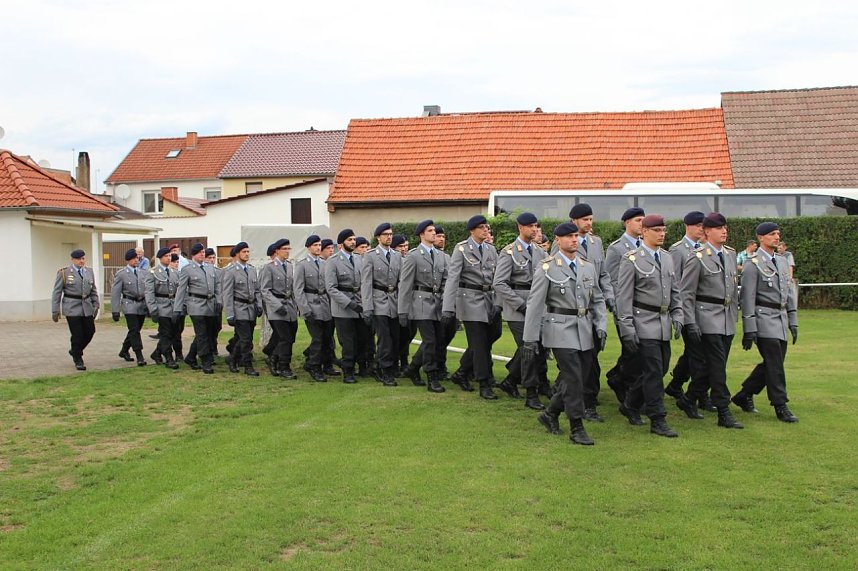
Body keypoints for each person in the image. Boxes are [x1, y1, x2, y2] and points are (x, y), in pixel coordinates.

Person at [525, 222, 607, 445]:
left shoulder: (587, 266)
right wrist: (530, 339)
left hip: (584, 328)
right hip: (559, 327)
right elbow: (535, 304)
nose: (574, 240)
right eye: (569, 236)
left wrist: (601, 324)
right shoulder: (547, 267)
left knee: (579, 377)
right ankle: (576, 426)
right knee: (573, 377)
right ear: (557, 241)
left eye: (575, 236)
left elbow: (597, 299)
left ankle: (550, 414)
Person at [616, 214, 682, 437]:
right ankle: (657, 418)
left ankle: (631, 403)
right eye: (656, 230)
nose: (662, 234)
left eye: (663, 230)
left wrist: (678, 315)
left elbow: (675, 291)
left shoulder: (667, 258)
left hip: (662, 322)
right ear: (644, 232)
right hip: (642, 321)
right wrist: (626, 329)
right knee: (654, 370)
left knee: (660, 368)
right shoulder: (631, 259)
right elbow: (623, 298)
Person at [678, 213, 743, 428]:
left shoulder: (731, 255)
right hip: (706, 317)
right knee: (717, 367)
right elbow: (686, 293)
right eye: (718, 228)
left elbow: (733, 291)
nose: (724, 231)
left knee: (713, 366)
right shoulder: (697, 257)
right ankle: (723, 410)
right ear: (707, 232)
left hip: (725, 318)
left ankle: (688, 399)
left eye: (725, 227)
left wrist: (734, 316)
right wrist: (690, 322)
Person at [732, 223, 799, 423]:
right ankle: (780, 404)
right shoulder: (753, 263)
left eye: (778, 234)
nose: (777, 237)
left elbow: (789, 293)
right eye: (772, 234)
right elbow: (747, 298)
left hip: (780, 318)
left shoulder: (781, 261)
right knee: (775, 364)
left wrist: (793, 321)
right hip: (763, 319)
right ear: (761, 238)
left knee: (772, 363)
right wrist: (749, 328)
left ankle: (743, 395)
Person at [493, 212, 548, 409]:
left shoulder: (541, 252)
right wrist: (520, 304)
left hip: (538, 306)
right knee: (529, 349)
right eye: (530, 226)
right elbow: (499, 283)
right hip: (518, 309)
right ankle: (531, 393)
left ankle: (510, 381)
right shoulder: (509, 252)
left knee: (539, 348)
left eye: (536, 225)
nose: (534, 229)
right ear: (520, 228)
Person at [442, 214, 500, 399]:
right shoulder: (462, 249)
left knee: (494, 334)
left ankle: (461, 372)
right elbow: (453, 279)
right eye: (482, 227)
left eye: (487, 227)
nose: (486, 230)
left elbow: (498, 278)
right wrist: (448, 307)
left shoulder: (491, 250)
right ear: (472, 230)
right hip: (470, 300)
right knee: (480, 344)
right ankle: (484, 383)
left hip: (489, 298)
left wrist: (498, 301)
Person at [570, 203, 615, 421]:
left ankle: (581, 398)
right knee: (583, 362)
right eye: (585, 219)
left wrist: (609, 296)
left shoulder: (596, 243)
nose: (589, 223)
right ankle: (585, 403)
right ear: (574, 222)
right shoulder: (565, 243)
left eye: (591, 219)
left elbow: (603, 274)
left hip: (594, 307)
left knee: (591, 356)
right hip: (574, 311)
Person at [398, 220, 448, 392]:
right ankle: (431, 376)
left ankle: (412, 369)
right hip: (420, 302)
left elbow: (446, 281)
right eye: (430, 230)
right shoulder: (413, 256)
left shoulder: (442, 256)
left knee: (437, 340)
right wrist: (402, 310)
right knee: (430, 340)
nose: (434, 233)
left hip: (438, 303)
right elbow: (405, 285)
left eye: (435, 230)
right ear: (422, 234)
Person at [604, 207, 645, 403]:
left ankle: (618, 377)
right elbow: (612, 279)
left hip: (644, 307)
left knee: (638, 351)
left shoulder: (646, 246)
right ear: (627, 222)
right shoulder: (616, 248)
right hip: (625, 306)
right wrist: (617, 305)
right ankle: (624, 383)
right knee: (632, 348)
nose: (642, 224)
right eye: (638, 220)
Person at [665, 211, 707, 400]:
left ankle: (676, 385)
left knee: (695, 352)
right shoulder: (678, 250)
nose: (701, 229)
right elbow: (675, 283)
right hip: (687, 308)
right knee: (697, 353)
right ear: (687, 227)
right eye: (697, 225)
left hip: (706, 309)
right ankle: (700, 394)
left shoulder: (706, 249)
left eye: (703, 226)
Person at [361, 223, 401, 386]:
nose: (389, 237)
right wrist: (367, 307)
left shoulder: (397, 256)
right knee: (384, 339)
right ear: (378, 237)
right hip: (378, 301)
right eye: (385, 234)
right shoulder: (370, 256)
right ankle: (385, 371)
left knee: (395, 337)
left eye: (391, 234)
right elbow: (366, 283)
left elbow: (402, 281)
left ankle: (379, 365)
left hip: (395, 300)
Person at [173, 242, 220, 373]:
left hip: (210, 304)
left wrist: (219, 301)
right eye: (200, 252)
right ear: (194, 255)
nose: (202, 254)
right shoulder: (187, 269)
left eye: (203, 252)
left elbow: (217, 287)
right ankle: (205, 360)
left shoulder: (210, 268)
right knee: (202, 333)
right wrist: (177, 308)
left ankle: (191, 357)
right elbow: (181, 290)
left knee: (208, 332)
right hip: (196, 304)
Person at [325, 229, 364, 383]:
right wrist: (349, 303)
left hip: (359, 305)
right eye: (349, 240)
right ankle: (348, 371)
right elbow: (331, 288)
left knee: (360, 339)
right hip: (343, 308)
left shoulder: (360, 259)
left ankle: (359, 366)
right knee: (347, 342)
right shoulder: (333, 261)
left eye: (354, 239)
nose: (353, 242)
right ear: (341, 244)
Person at [52, 249, 99, 370]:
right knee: (77, 334)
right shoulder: (64, 273)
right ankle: (78, 358)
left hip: (86, 306)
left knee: (90, 331)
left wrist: (96, 304)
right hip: (72, 307)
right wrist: (55, 310)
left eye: (83, 258)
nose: (81, 261)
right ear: (72, 260)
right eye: (79, 259)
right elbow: (57, 292)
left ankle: (74, 350)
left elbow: (93, 289)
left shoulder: (89, 271)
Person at [295, 235, 334, 382]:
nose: (318, 248)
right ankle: (314, 366)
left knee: (326, 338)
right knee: (317, 338)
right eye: (315, 245)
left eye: (319, 245)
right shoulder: (302, 265)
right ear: (308, 247)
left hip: (325, 305)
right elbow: (298, 289)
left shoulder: (325, 264)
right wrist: (305, 309)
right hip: (311, 304)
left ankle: (324, 363)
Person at [259, 238, 299, 379]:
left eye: (289, 249)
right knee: (285, 338)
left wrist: (296, 305)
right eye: (285, 249)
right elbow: (265, 290)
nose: (287, 252)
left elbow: (291, 288)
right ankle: (284, 367)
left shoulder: (289, 266)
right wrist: (277, 305)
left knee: (291, 336)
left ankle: (272, 356)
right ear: (277, 251)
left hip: (289, 307)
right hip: (276, 309)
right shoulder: (268, 268)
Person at [222, 242, 263, 376]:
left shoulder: (251, 270)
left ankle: (233, 359)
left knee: (243, 338)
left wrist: (259, 305)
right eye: (244, 252)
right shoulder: (231, 271)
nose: (247, 254)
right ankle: (247, 365)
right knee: (246, 340)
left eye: (248, 251)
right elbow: (227, 294)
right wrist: (230, 314)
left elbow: (257, 290)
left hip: (250, 309)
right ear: (238, 253)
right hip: (239, 309)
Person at [111, 247, 148, 366]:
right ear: (128, 260)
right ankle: (139, 355)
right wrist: (115, 310)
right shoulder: (121, 274)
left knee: (136, 329)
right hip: (129, 304)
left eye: (137, 258)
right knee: (134, 330)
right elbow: (115, 293)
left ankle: (124, 350)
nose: (136, 260)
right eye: (134, 259)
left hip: (141, 304)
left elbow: (147, 290)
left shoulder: (143, 272)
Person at [144, 247, 180, 369]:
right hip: (161, 306)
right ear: (160, 258)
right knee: (165, 333)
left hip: (173, 306)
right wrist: (153, 308)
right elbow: (149, 292)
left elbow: (179, 291)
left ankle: (157, 353)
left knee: (173, 333)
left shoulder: (175, 272)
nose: (169, 258)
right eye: (166, 256)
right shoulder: (153, 272)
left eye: (170, 256)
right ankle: (169, 357)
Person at [391, 234, 414, 374]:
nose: (404, 248)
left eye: (406, 245)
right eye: (401, 246)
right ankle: (394, 362)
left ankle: (404, 361)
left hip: (411, 303)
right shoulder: (393, 261)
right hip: (396, 302)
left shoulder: (409, 259)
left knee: (409, 333)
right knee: (397, 335)